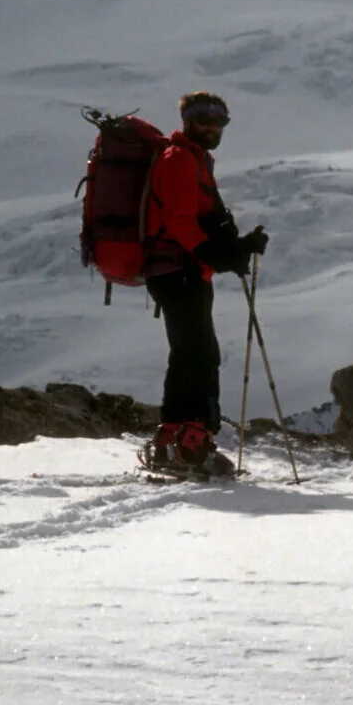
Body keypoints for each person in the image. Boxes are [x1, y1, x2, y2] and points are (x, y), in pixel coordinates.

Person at [141, 91, 268, 472]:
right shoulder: (179, 160)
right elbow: (181, 223)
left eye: (219, 122)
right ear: (187, 121)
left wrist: (236, 247)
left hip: (179, 270)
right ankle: (192, 445)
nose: (212, 128)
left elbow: (199, 220)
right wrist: (216, 255)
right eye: (203, 120)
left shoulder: (196, 160)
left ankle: (173, 442)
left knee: (188, 354)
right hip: (178, 270)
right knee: (199, 354)